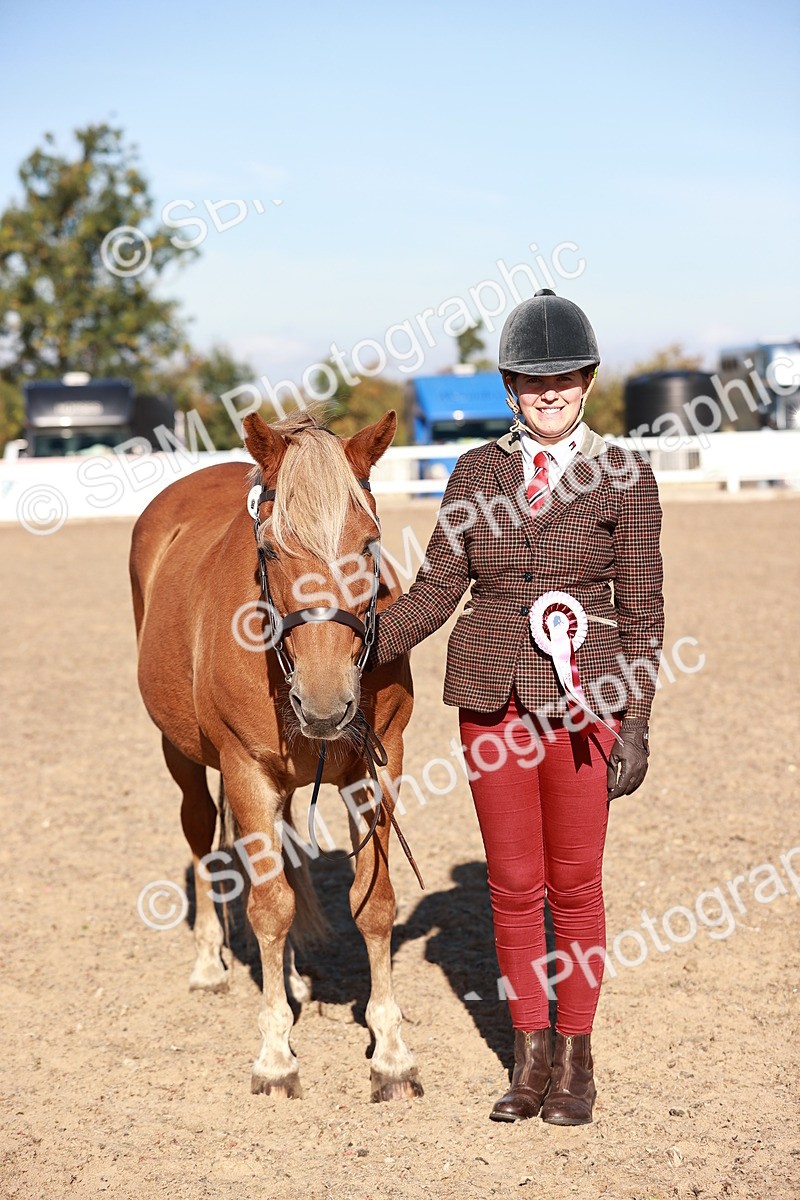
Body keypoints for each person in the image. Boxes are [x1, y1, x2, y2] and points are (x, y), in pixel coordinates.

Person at [369, 288, 664, 1125]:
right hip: (489, 696)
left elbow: (643, 607)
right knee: (511, 884)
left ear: (589, 379)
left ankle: (577, 1059)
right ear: (508, 386)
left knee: (574, 885)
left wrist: (636, 720)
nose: (551, 391)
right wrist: (365, 640)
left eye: (565, 377)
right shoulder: (476, 473)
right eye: (534, 380)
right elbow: (435, 590)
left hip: (586, 702)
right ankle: (527, 1057)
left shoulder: (624, 476)